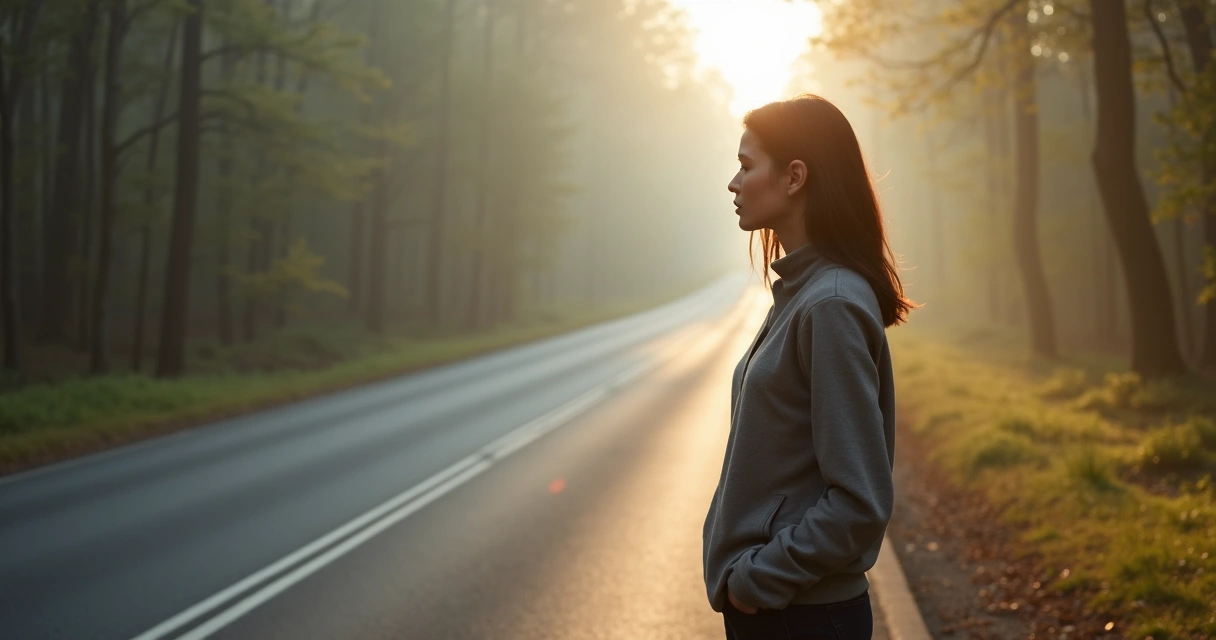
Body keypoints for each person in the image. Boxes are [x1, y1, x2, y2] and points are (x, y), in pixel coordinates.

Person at [702, 94, 915, 640]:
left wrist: (756, 581)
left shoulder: (831, 304)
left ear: (795, 177)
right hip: (783, 612)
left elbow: (859, 500)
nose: (733, 183)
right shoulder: (803, 293)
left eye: (747, 166)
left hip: (803, 618)